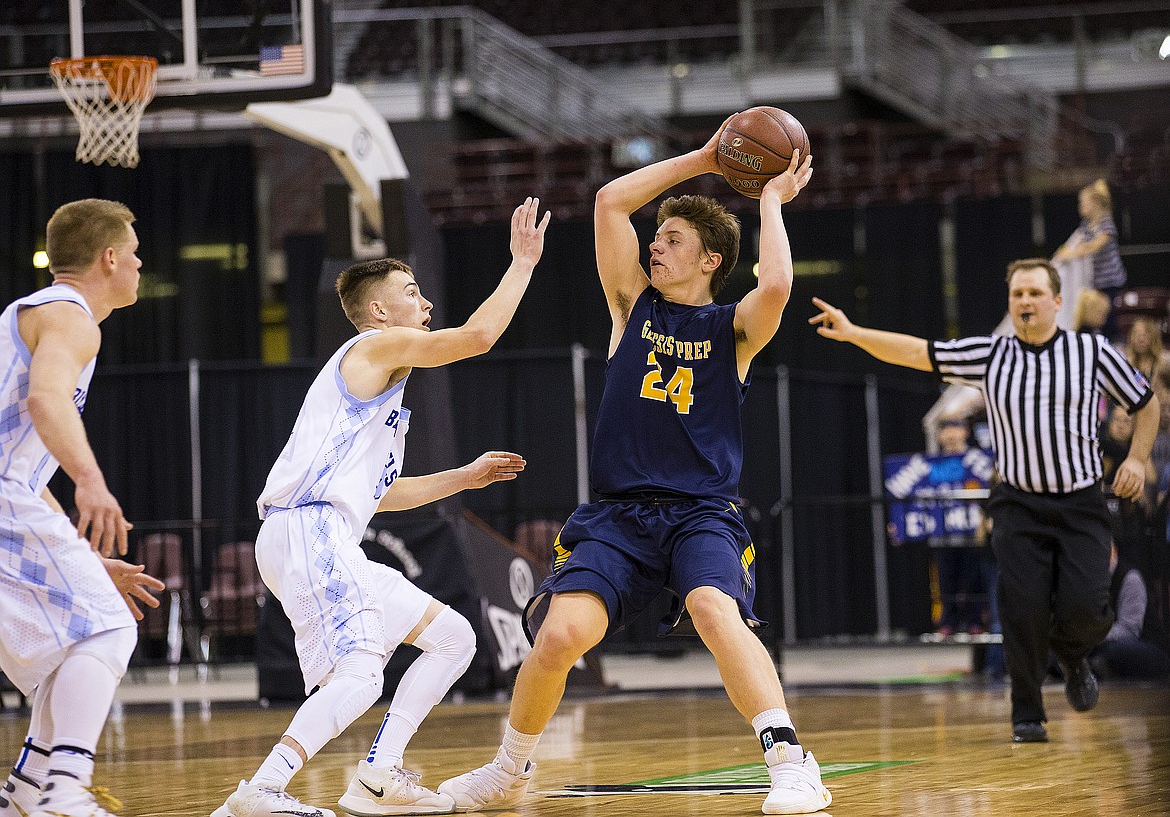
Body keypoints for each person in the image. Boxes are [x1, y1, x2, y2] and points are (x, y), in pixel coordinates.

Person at [439, 120, 830, 815]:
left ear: (711, 260)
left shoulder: (734, 330)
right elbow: (610, 203)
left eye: (673, 239)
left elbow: (775, 285)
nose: (656, 244)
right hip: (618, 515)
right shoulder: (631, 307)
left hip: (700, 512)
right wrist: (707, 159)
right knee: (558, 635)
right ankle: (507, 768)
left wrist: (771, 201)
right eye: (658, 237)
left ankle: (791, 761)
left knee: (713, 607)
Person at [211, 197, 549, 817]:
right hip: (309, 528)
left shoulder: (379, 391)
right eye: (412, 292)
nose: (425, 304)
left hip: (321, 532)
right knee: (363, 677)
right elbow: (476, 337)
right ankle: (260, 791)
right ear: (378, 312)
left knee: (453, 638)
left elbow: (381, 496)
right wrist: (523, 263)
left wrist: (464, 477)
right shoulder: (369, 349)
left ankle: (377, 779)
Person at [809, 257, 1160, 744]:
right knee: (1021, 607)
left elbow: (1146, 404)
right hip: (1018, 504)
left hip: (1081, 503)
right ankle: (1027, 715)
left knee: (1087, 608)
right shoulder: (992, 355)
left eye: (1035, 293)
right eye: (1017, 294)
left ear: (1057, 301)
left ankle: (1075, 658)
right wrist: (854, 332)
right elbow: (918, 352)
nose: (1025, 301)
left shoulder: (1092, 352)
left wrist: (1139, 461)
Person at [0, 198, 162, 817]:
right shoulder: (71, 317)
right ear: (110, 257)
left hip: (12, 497)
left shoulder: (39, 315)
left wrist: (78, 556)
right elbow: (46, 402)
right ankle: (64, 792)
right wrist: (91, 481)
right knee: (108, 628)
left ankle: (22, 798)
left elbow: (24, 457)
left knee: (66, 654)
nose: (142, 266)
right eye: (137, 254)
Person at [928, 418, 988, 637]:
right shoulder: (928, 463)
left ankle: (975, 620)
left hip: (972, 534)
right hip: (942, 534)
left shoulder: (978, 460)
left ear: (965, 431)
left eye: (956, 427)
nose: (951, 434)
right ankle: (948, 622)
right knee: (945, 581)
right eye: (945, 429)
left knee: (974, 579)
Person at [1052, 179, 1126, 340]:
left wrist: (1070, 254)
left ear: (1095, 203)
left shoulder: (1106, 225)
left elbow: (1093, 246)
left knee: (1108, 317)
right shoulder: (1085, 225)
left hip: (1110, 283)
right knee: (1093, 318)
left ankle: (1115, 342)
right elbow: (1075, 243)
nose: (1080, 205)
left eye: (1083, 202)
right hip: (1094, 283)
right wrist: (1063, 253)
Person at [1088, 539, 1170, 681]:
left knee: (1112, 651)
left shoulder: (1130, 578)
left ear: (1113, 553)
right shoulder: (1095, 583)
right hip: (1106, 641)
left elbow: (1130, 630)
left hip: (1147, 646)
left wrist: (1094, 637)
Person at [1124, 316, 1168, 382]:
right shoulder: (1126, 363)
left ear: (1154, 336)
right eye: (1136, 334)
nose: (1140, 339)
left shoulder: (1165, 362)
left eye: (1145, 334)